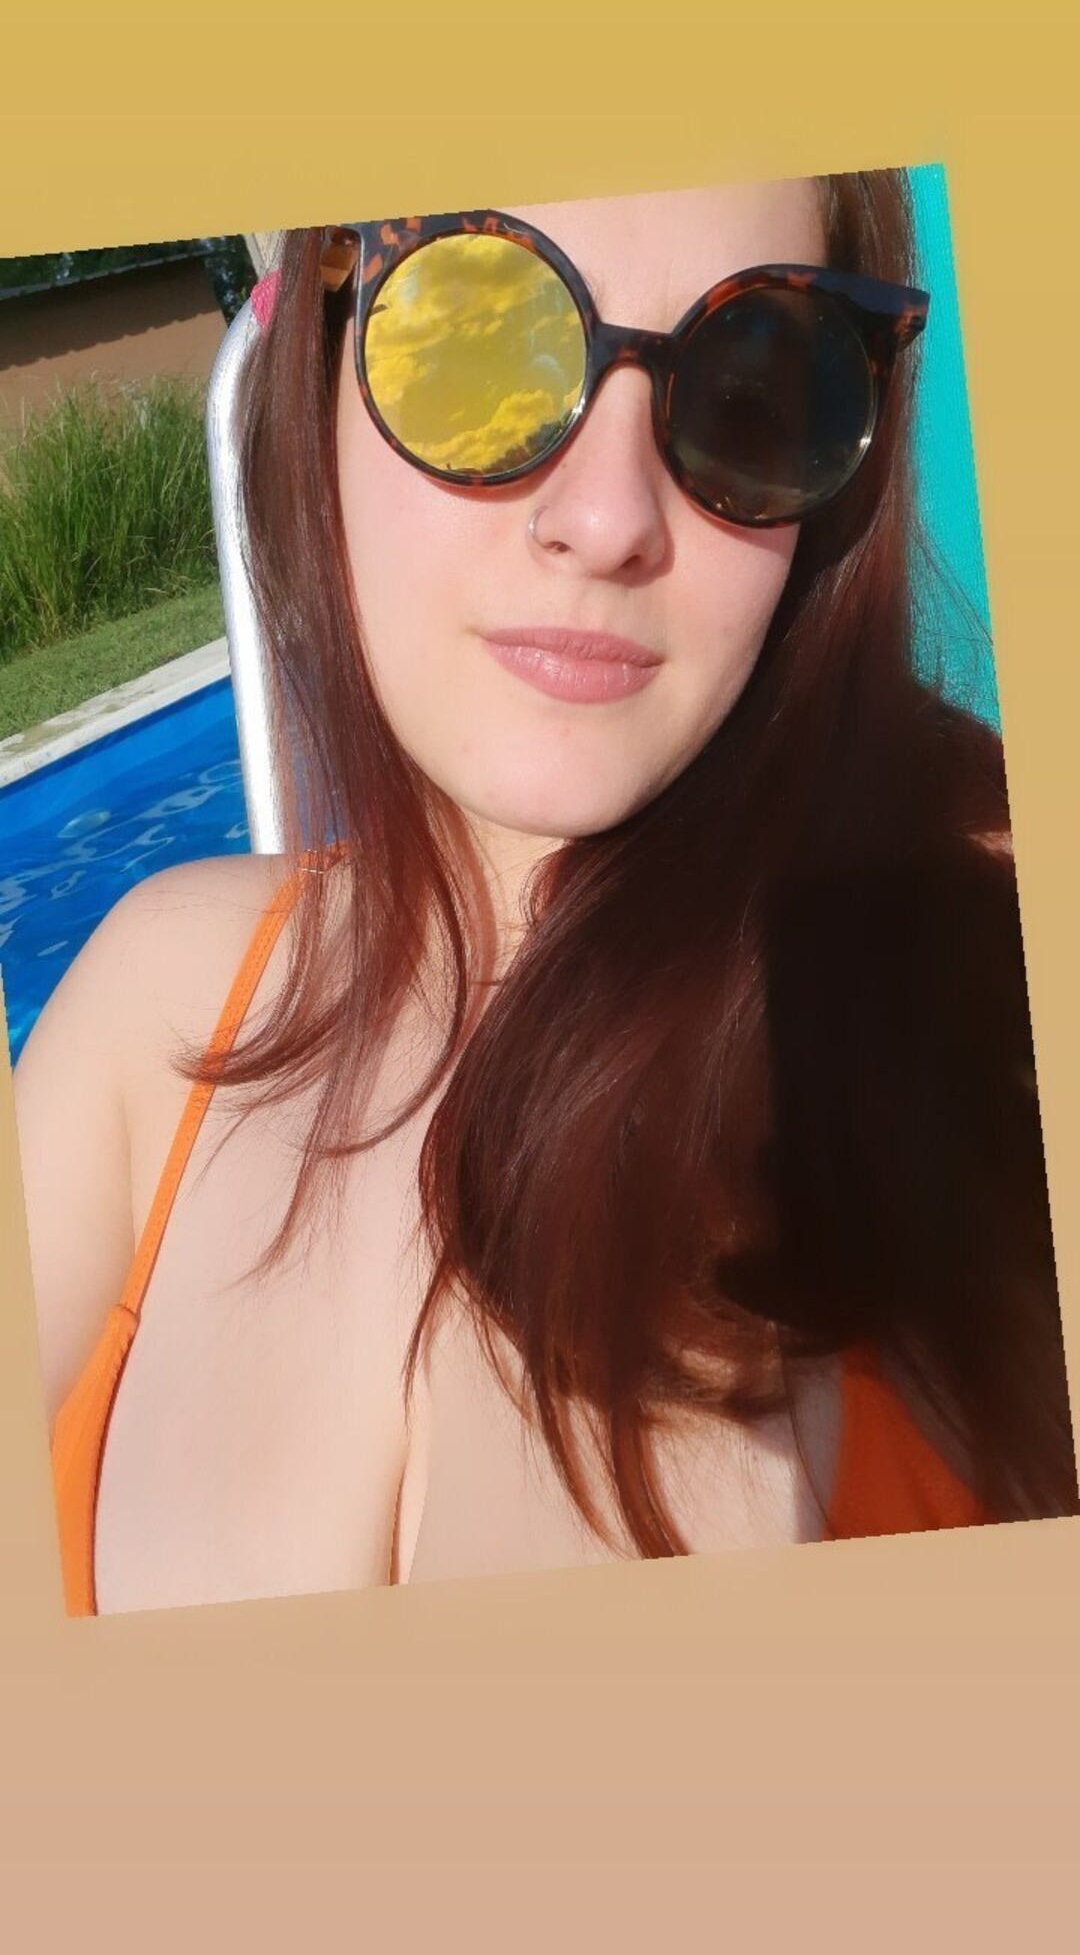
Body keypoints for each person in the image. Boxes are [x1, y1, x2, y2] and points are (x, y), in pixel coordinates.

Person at [14, 170, 1076, 1619]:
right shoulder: (156, 1001)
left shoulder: (961, 981)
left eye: (758, 383)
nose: (608, 516)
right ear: (320, 354)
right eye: (479, 339)